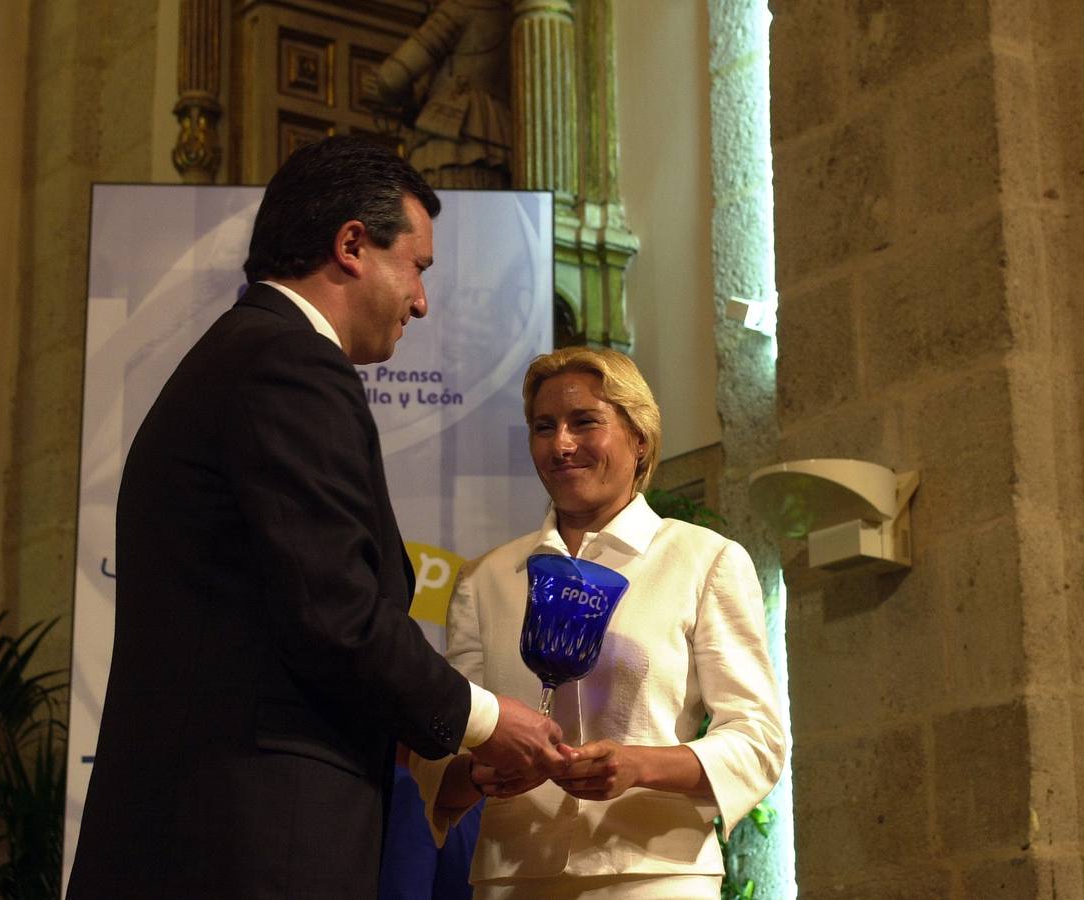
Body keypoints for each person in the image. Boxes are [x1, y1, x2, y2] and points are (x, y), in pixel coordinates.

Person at [68, 136, 565, 899]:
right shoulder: (288, 362)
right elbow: (333, 612)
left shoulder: (238, 354)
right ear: (352, 246)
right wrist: (485, 717)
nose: (423, 301)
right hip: (256, 835)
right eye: (418, 268)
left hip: (206, 827)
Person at [409, 347, 787, 899]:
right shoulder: (486, 579)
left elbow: (758, 739)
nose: (561, 445)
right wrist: (480, 775)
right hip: (513, 875)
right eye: (544, 427)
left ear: (639, 439)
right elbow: (442, 745)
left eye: (585, 421)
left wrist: (639, 765)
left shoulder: (704, 560)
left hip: (654, 875)